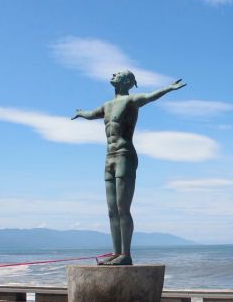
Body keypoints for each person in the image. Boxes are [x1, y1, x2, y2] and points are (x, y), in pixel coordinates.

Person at [72, 70, 186, 265]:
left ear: (127, 82)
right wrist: (81, 113)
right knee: (111, 210)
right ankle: (116, 253)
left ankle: (126, 254)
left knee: (122, 208)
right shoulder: (106, 106)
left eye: (118, 74)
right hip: (109, 158)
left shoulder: (131, 100)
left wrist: (168, 88)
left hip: (125, 156)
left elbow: (150, 96)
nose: (113, 74)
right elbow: (92, 115)